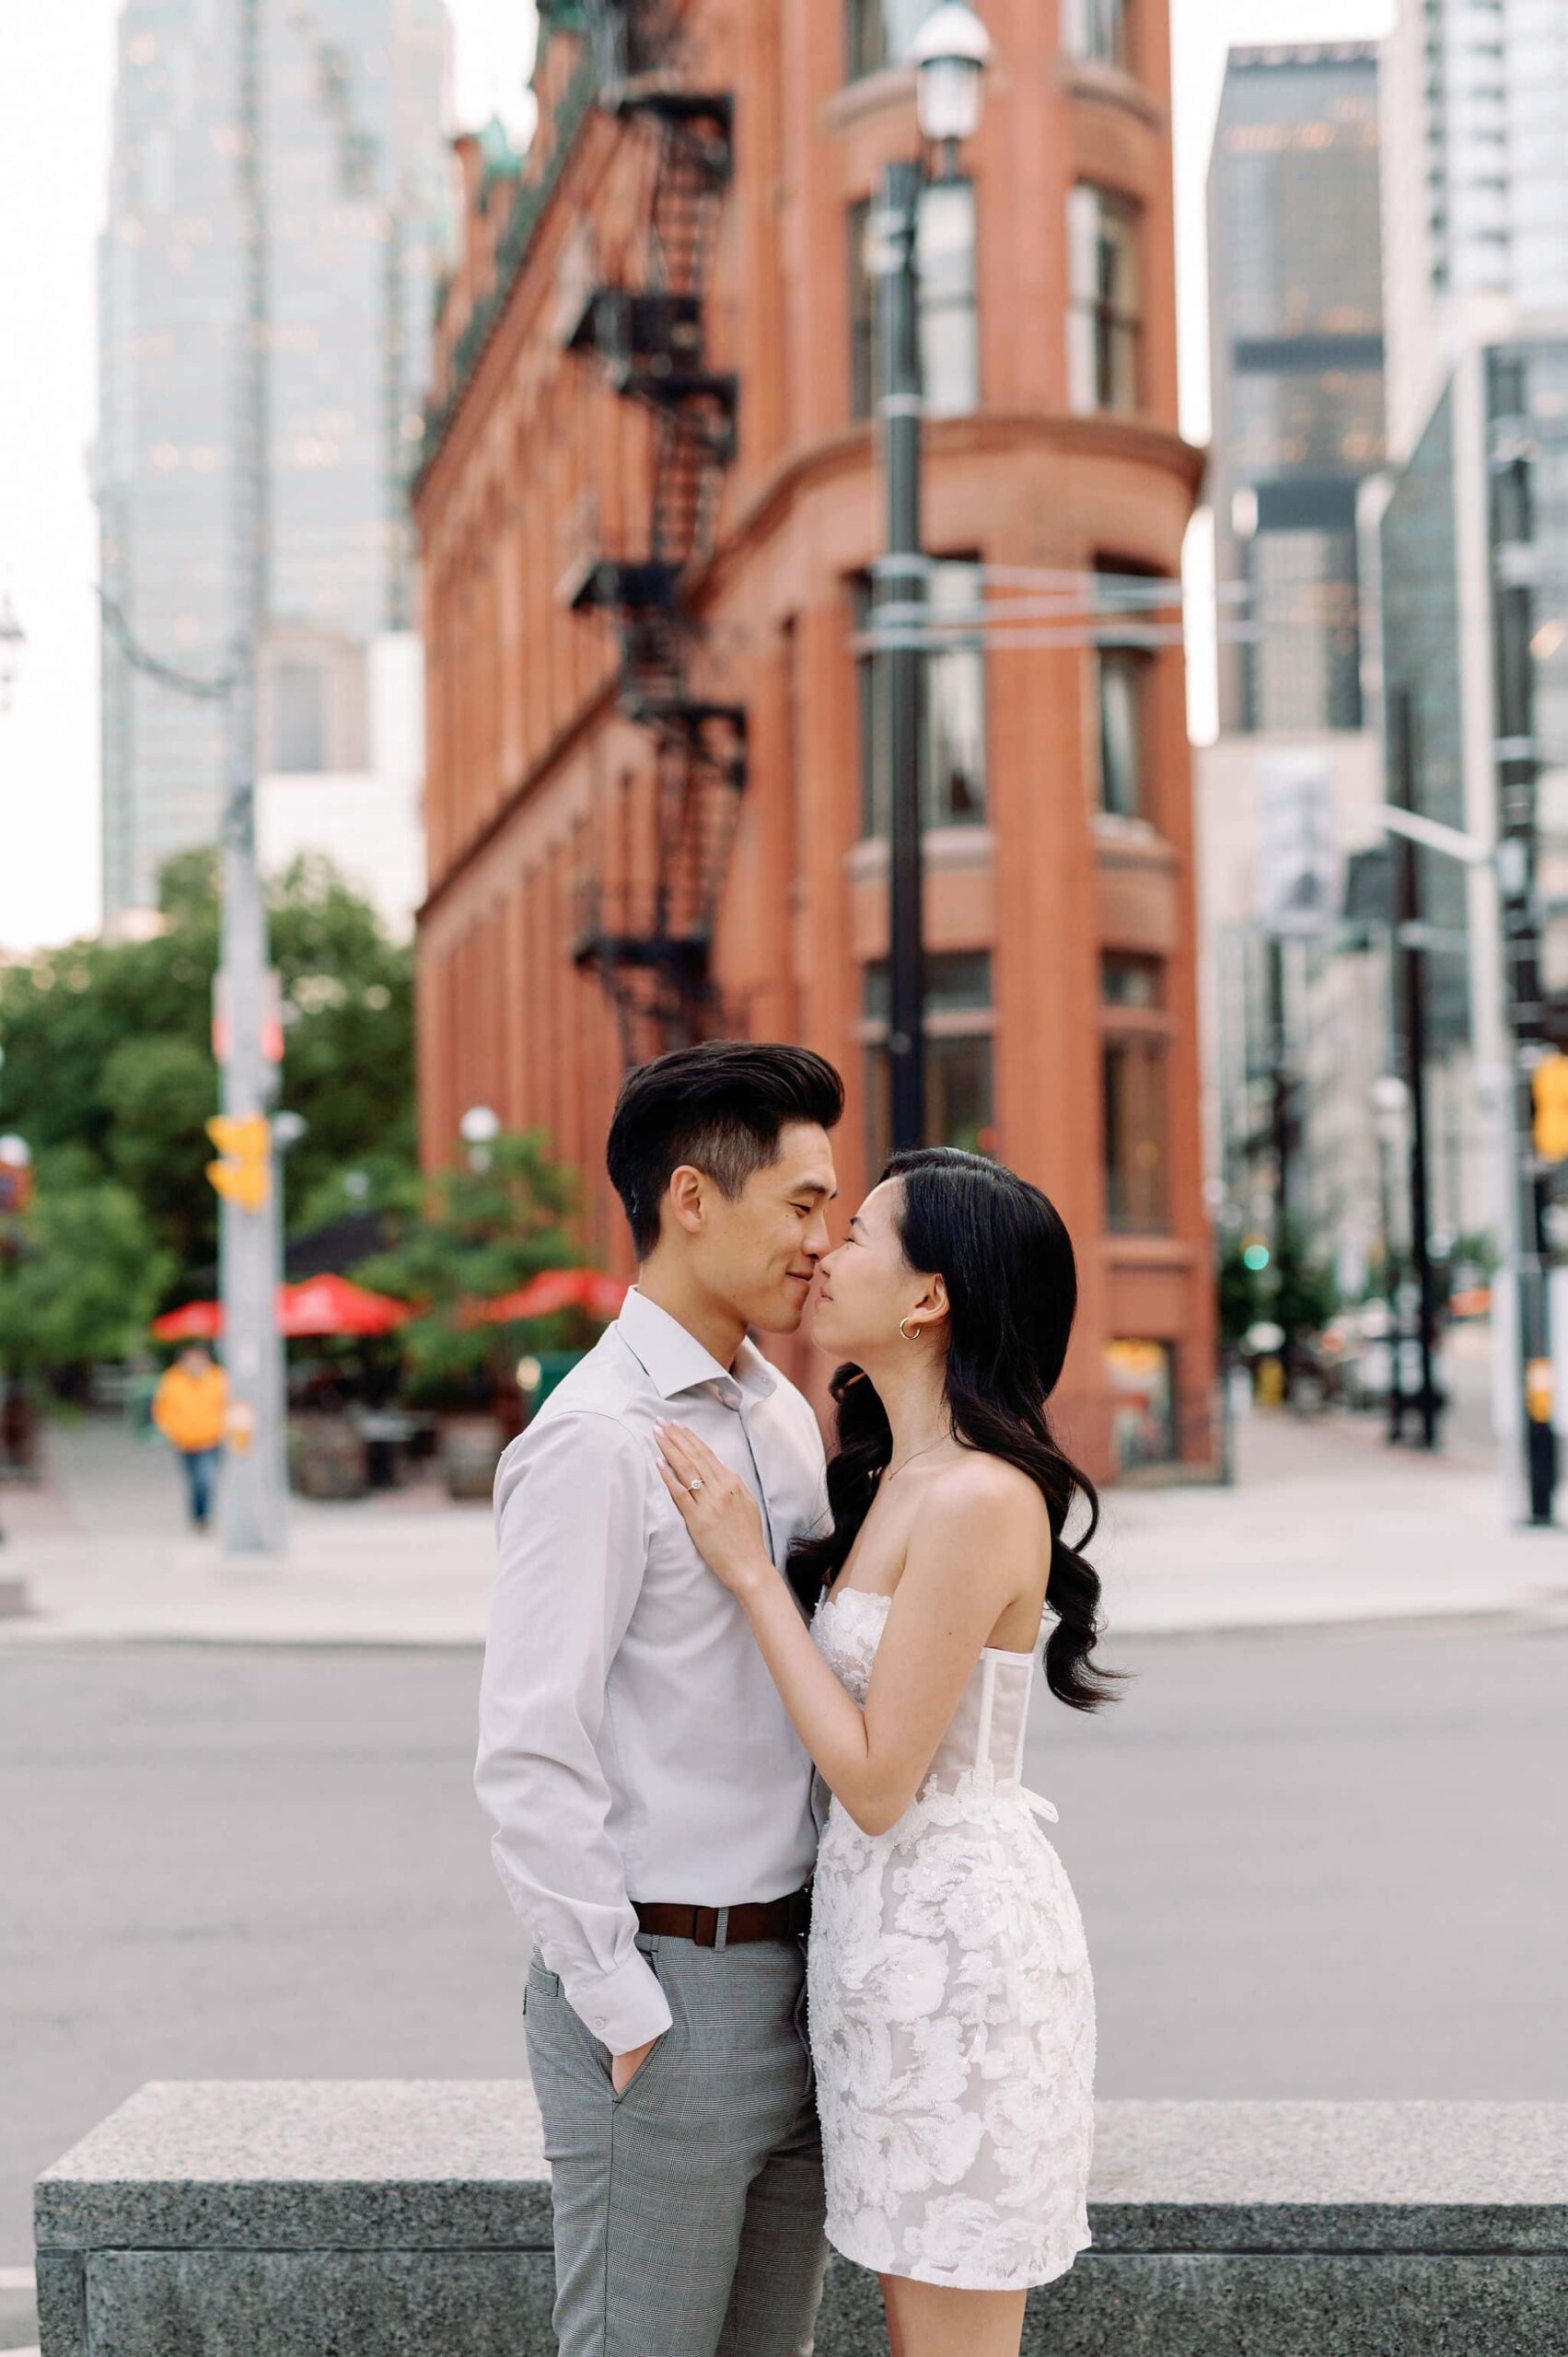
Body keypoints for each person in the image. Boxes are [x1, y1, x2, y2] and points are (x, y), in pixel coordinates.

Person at [654, 1146, 1117, 2357]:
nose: (821, 1249)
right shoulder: (895, 1482)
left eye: (855, 1232)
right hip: (885, 1957)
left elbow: (871, 1781)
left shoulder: (973, 1499)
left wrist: (750, 1572)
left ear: (927, 1297)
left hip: (956, 1966)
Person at [474, 1039, 846, 2357]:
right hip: (666, 1984)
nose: (823, 1241)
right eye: (800, 1205)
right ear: (693, 1200)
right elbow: (529, 1752)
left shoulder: (779, 1415)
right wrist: (622, 2010)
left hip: (799, 1982)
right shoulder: (592, 1440)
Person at [150, 1343, 228, 1530]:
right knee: (193, 1480)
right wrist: (169, 1428)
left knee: (205, 1479)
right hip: (183, 1440)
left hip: (210, 1440)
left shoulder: (218, 1378)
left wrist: (224, 1429)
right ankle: (197, 1515)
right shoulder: (173, 1379)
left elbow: (228, 1406)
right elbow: (162, 1407)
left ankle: (202, 1516)